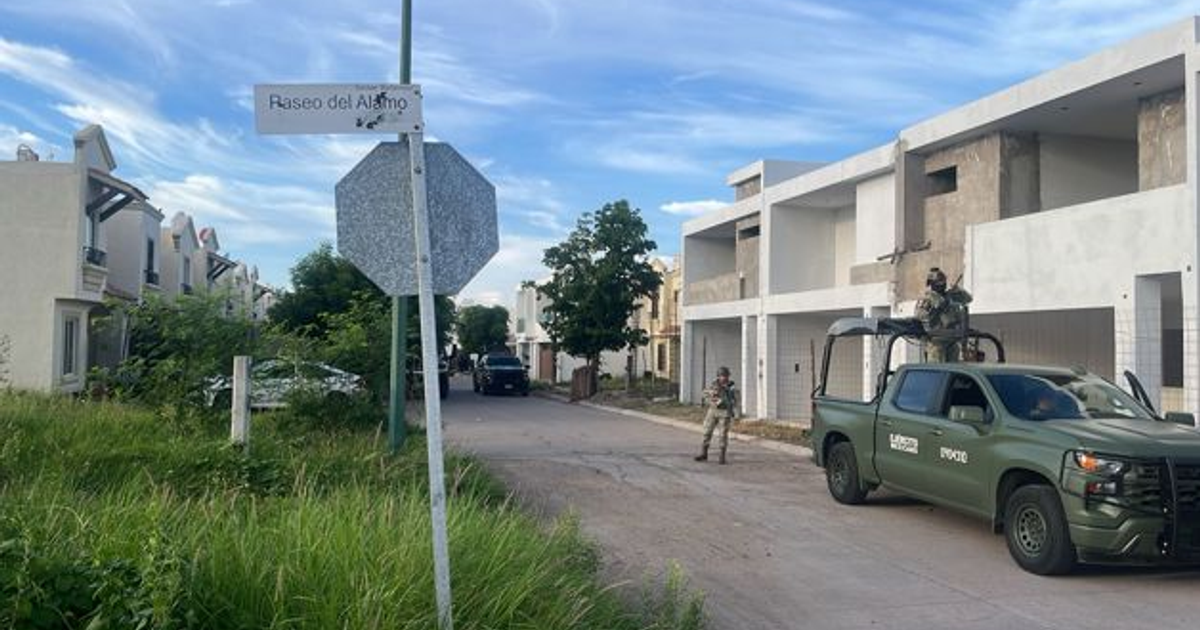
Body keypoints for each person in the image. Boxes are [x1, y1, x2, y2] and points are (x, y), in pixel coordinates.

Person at [915, 267, 973, 362]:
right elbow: (920, 316)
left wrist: (957, 290)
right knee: (937, 370)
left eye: (943, 282)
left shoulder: (950, 296)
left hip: (951, 339)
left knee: (953, 370)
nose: (942, 285)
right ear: (932, 284)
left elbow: (968, 299)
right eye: (938, 283)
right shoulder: (928, 299)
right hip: (936, 341)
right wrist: (938, 307)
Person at [695, 366, 738, 465]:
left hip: (725, 412)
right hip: (713, 410)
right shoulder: (714, 385)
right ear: (718, 376)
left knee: (723, 434)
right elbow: (705, 394)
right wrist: (712, 397)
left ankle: (722, 456)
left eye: (726, 376)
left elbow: (735, 400)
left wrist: (729, 403)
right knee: (707, 431)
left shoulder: (731, 387)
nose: (724, 378)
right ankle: (704, 453)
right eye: (722, 376)